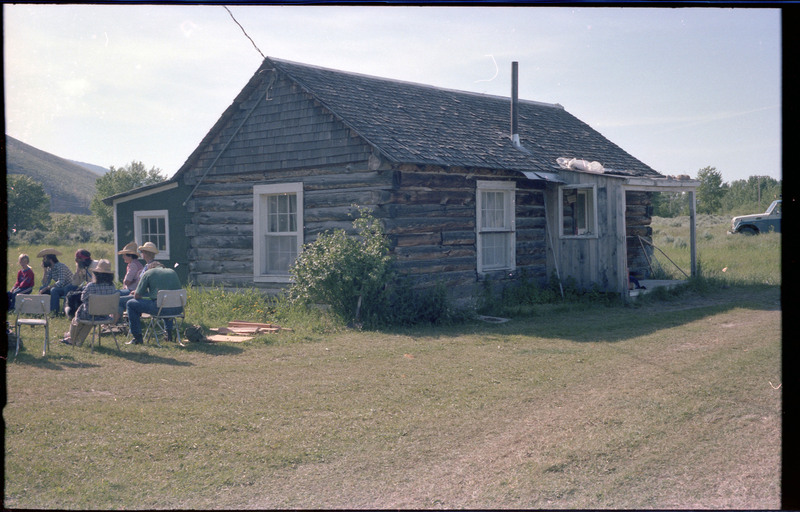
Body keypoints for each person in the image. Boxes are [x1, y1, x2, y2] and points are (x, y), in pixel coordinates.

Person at [60, 259, 119, 346]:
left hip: (89, 314)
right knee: (89, 322)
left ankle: (72, 339)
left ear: (97, 274)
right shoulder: (112, 286)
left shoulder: (91, 286)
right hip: (104, 315)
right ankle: (77, 341)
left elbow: (83, 298)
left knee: (78, 319)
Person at [125, 262, 183, 345]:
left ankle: (137, 337)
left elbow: (137, 296)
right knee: (166, 302)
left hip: (160, 309)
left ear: (150, 268)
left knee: (131, 304)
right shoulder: (172, 272)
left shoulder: (148, 273)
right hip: (178, 308)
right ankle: (168, 333)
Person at [38, 248, 74, 314]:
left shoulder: (60, 266)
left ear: (50, 259)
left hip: (68, 287)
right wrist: (45, 271)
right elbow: (45, 283)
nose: (43, 261)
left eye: (44, 259)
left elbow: (61, 282)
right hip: (61, 287)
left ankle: (54, 312)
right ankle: (43, 310)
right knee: (42, 288)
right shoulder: (49, 269)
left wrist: (47, 288)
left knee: (54, 290)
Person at [65, 249, 97, 318]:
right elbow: (75, 283)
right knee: (70, 291)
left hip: (94, 290)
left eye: (79, 259)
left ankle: (74, 314)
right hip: (88, 288)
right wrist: (77, 271)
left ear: (84, 259)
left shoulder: (95, 265)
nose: (77, 261)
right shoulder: (83, 267)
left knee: (74, 296)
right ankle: (72, 314)